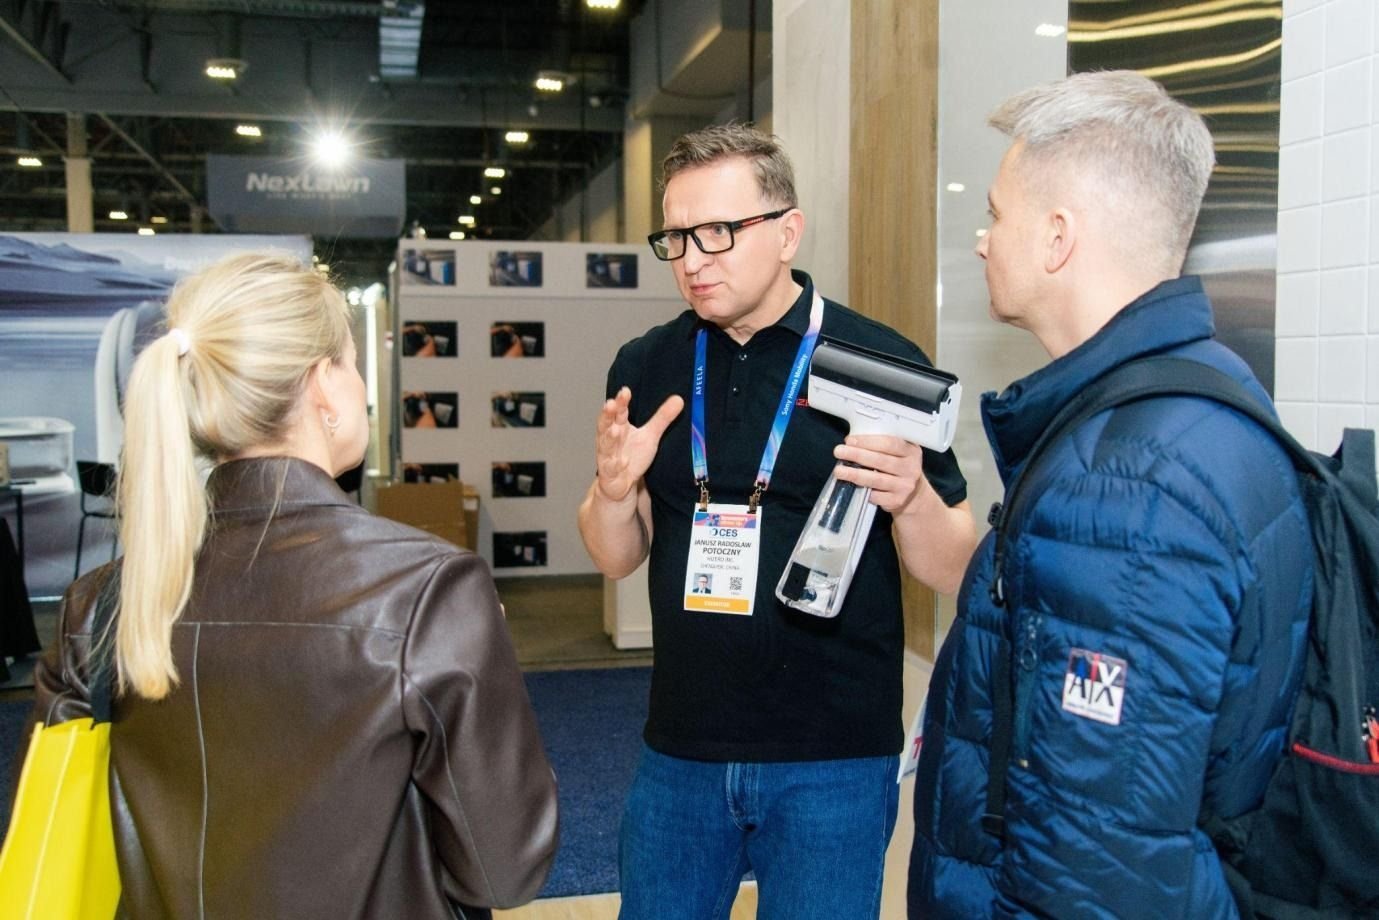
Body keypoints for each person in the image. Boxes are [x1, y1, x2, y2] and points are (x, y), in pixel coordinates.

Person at [25, 253, 558, 919]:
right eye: (352, 364)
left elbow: (57, 823)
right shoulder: (427, 590)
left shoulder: (99, 605)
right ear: (323, 385)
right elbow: (504, 870)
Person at [907, 71, 1313, 918]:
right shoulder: (1209, 389)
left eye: (996, 215)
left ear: (1056, 237)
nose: (982, 242)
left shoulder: (1125, 489)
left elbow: (1098, 866)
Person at [577, 123, 978, 919]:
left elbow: (953, 568)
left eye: (717, 233)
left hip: (833, 757)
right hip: (680, 748)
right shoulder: (647, 363)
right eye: (676, 237)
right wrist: (613, 491)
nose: (692, 260)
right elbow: (615, 556)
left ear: (787, 232)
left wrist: (911, 496)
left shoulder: (877, 360)